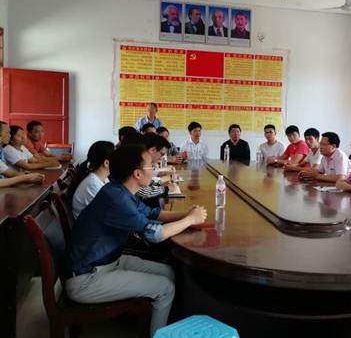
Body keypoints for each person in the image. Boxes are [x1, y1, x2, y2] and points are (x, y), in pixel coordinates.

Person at [64, 144, 207, 336]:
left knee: (168, 272)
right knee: (165, 288)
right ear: (137, 174)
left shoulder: (119, 190)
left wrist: (186, 213)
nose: (154, 169)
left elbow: (153, 213)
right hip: (87, 278)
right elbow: (155, 234)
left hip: (107, 262)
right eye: (151, 166)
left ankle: (160, 323)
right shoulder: (116, 198)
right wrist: (190, 220)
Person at [68, 141, 115, 219]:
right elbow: (110, 214)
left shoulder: (102, 178)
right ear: (106, 163)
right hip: (86, 225)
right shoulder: (92, 184)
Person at [0, 121, 45, 187]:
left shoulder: (1, 149)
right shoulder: (7, 149)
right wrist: (26, 177)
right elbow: (10, 173)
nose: (10, 135)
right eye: (7, 132)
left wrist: (26, 175)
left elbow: (8, 171)